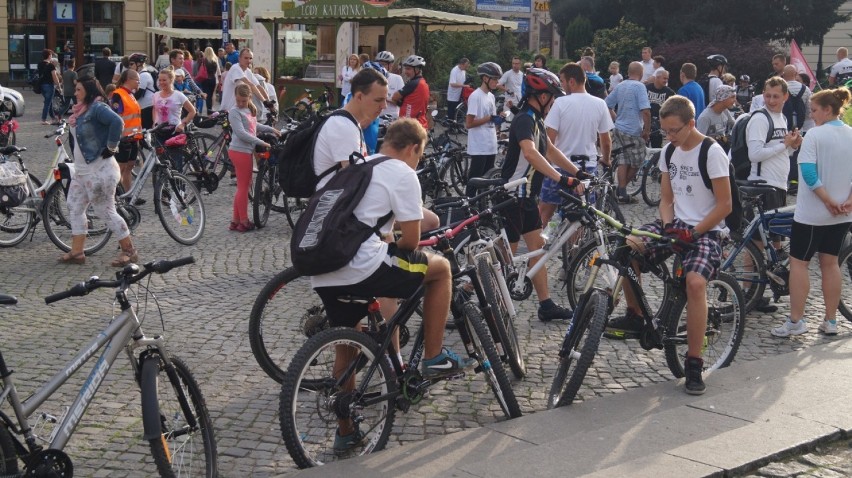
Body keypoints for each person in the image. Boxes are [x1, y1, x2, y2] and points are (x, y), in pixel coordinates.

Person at [311, 118, 475, 449]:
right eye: (420, 155)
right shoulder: (402, 172)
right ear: (414, 148)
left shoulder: (358, 165)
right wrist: (393, 238)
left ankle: (345, 432)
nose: (419, 161)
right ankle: (433, 356)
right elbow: (412, 241)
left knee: (348, 342)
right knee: (440, 269)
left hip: (325, 268)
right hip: (362, 264)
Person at [605, 95, 732, 395]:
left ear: (691, 123)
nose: (670, 137)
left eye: (675, 131)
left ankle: (694, 362)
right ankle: (636, 314)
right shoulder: (669, 152)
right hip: (675, 225)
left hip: (708, 230)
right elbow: (666, 199)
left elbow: (725, 205)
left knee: (696, 283)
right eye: (665, 132)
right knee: (627, 248)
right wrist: (667, 225)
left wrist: (693, 233)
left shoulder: (711, 152)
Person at [501, 67, 587, 322]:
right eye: (551, 95)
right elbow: (530, 153)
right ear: (539, 95)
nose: (553, 101)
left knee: (537, 251)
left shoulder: (537, 120)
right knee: (505, 255)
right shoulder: (524, 119)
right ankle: (473, 292)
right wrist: (561, 179)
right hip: (511, 195)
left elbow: (550, 150)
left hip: (526, 198)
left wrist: (578, 173)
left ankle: (546, 305)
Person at [771, 88, 852, 337]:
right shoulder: (850, 134)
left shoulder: (815, 134)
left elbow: (808, 173)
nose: (812, 115)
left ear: (827, 110)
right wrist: (847, 200)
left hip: (813, 213)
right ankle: (830, 321)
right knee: (830, 264)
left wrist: (827, 200)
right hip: (843, 212)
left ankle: (796, 321)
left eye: (814, 110)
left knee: (799, 264)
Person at [59, 77, 139, 267]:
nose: (75, 93)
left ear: (88, 91)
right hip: (81, 171)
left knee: (105, 210)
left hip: (99, 171)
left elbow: (117, 122)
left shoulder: (97, 108)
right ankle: (78, 252)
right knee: (74, 206)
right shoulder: (80, 111)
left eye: (79, 90)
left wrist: (111, 147)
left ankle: (129, 251)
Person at [541, 62, 613, 225]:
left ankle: (538, 248)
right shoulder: (600, 104)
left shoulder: (560, 103)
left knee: (544, 213)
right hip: (586, 169)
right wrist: (607, 160)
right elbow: (606, 141)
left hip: (559, 167)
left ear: (571, 81)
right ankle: (575, 251)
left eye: (562, 81)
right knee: (580, 217)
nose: (562, 86)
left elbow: (549, 140)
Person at [228, 83, 280, 232]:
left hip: (245, 151)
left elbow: (254, 125)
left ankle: (235, 220)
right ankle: (243, 221)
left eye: (243, 100)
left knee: (242, 187)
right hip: (239, 151)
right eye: (238, 100)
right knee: (244, 188)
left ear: (249, 98)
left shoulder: (249, 109)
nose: (240, 103)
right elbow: (241, 133)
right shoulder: (234, 111)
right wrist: (261, 142)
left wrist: (272, 130)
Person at [606, 61, 651, 203]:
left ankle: (622, 193)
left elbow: (607, 104)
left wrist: (616, 118)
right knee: (639, 160)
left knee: (623, 160)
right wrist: (646, 130)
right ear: (641, 73)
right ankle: (621, 190)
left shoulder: (620, 85)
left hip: (619, 128)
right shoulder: (640, 87)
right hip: (633, 130)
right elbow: (646, 111)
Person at [465, 62, 503, 197]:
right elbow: (469, 123)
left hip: (490, 144)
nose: (497, 82)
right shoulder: (476, 96)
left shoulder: (491, 96)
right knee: (475, 179)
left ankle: (482, 206)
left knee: (487, 181)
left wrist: (498, 119)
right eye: (494, 79)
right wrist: (488, 118)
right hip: (479, 146)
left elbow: (491, 118)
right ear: (485, 78)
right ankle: (468, 204)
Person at [152, 68, 197, 171]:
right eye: (160, 80)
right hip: (160, 132)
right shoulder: (155, 95)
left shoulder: (178, 95)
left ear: (171, 80)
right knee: (162, 163)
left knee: (176, 162)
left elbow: (192, 111)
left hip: (175, 132)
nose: (161, 82)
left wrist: (183, 124)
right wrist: (154, 122)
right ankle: (163, 185)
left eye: (164, 80)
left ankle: (179, 185)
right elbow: (154, 109)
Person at [109, 69, 143, 197]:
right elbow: (116, 116)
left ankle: (129, 195)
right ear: (128, 80)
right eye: (137, 80)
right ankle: (114, 196)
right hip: (123, 139)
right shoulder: (118, 94)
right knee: (120, 169)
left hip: (134, 137)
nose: (139, 82)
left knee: (129, 168)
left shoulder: (130, 95)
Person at [392, 55, 430, 130]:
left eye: (408, 69)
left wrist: (399, 102)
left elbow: (395, 97)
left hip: (409, 125)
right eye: (405, 69)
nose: (405, 72)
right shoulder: (424, 83)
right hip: (419, 123)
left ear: (417, 69)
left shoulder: (413, 83)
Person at [696, 85, 736, 151]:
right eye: (732, 97)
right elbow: (699, 141)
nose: (735, 100)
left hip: (722, 149)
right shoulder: (705, 117)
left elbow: (735, 125)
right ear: (723, 98)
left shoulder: (725, 111)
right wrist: (717, 138)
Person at [646, 69, 677, 148]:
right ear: (657, 77)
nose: (666, 81)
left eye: (667, 79)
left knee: (656, 147)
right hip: (646, 121)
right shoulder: (647, 88)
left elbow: (674, 108)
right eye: (664, 78)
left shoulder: (669, 92)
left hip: (658, 125)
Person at [128, 53, 155, 129]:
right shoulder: (140, 74)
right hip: (143, 107)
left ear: (139, 64)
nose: (130, 66)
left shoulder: (144, 75)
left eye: (131, 64)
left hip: (147, 108)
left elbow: (138, 94)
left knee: (146, 131)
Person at [375, 51, 404, 117]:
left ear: (390, 65)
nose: (380, 66)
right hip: (376, 117)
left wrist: (386, 99)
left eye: (383, 64)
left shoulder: (397, 78)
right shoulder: (372, 78)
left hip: (391, 117)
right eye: (378, 64)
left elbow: (402, 102)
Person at [37, 49, 60, 125]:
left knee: (49, 101)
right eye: (51, 55)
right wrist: (58, 85)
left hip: (42, 85)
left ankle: (53, 118)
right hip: (49, 85)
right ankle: (43, 119)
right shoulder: (51, 65)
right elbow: (54, 76)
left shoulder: (39, 64)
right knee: (47, 103)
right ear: (49, 56)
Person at [197, 47, 221, 114]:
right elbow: (217, 71)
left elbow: (199, 69)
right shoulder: (215, 60)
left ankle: (207, 110)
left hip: (205, 79)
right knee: (210, 95)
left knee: (205, 94)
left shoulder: (203, 60)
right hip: (213, 79)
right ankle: (209, 109)